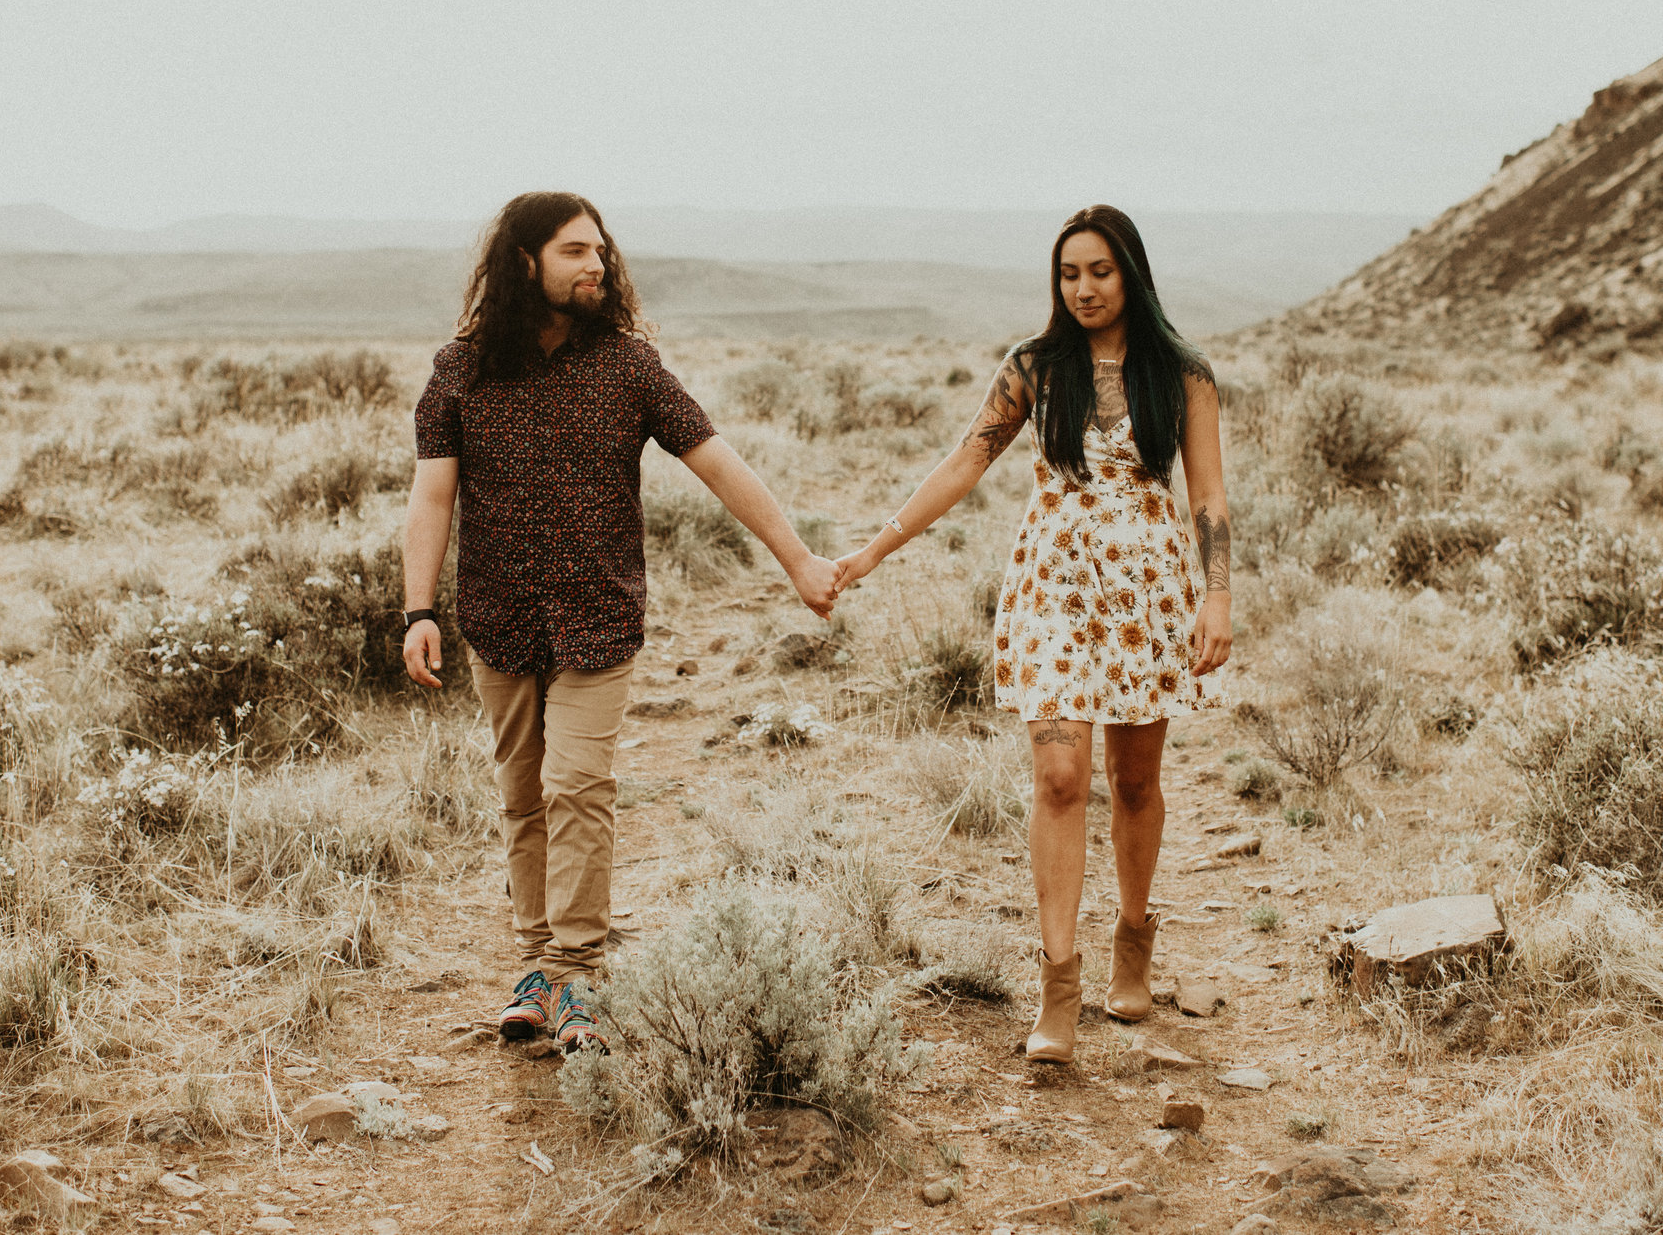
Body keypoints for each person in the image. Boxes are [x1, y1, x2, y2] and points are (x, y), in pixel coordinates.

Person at [399, 191, 840, 1054]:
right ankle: (537, 964)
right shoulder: (462, 368)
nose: (595, 265)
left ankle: (580, 972)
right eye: (573, 252)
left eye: (599, 251)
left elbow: (718, 462)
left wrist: (797, 558)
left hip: (597, 617)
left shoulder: (630, 366)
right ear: (524, 262)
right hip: (498, 617)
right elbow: (432, 493)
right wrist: (419, 608)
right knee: (522, 795)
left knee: (577, 788)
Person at [833, 205, 1230, 1065]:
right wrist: (873, 549)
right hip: (1053, 587)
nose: (1083, 288)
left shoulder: (1184, 375)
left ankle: (1134, 935)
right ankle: (1059, 984)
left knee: (1132, 781)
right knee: (1058, 776)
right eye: (1068, 273)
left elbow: (1208, 498)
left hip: (1150, 595)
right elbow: (964, 462)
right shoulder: (1034, 369)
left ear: (1131, 274)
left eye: (1100, 272)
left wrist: (1219, 597)